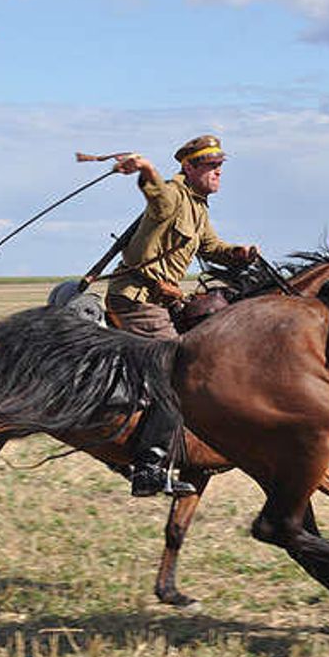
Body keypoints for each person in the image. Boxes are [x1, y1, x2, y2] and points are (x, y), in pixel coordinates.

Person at [105, 134, 259, 497]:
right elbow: (156, 198)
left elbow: (208, 246)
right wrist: (145, 169)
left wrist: (237, 252)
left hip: (160, 301)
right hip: (138, 300)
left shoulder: (199, 205)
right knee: (177, 373)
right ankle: (148, 466)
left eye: (220, 165)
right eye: (210, 165)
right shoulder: (174, 193)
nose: (218, 171)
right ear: (189, 167)